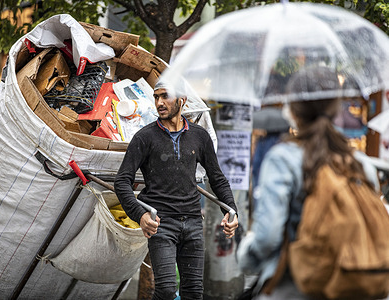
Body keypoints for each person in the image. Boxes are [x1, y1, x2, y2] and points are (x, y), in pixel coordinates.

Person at [237, 66, 380, 299]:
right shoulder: (360, 164)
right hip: (350, 283)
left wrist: (245, 255)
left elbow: (268, 237)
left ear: (293, 110)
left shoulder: (284, 158)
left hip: (294, 286)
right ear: (336, 109)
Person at [114, 80, 239, 299]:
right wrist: (140, 215)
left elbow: (217, 177)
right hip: (161, 224)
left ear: (182, 100)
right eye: (156, 97)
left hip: (192, 221)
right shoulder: (144, 137)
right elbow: (122, 181)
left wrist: (231, 211)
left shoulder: (199, 136)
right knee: (166, 290)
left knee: (193, 291)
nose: (159, 102)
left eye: (165, 96)